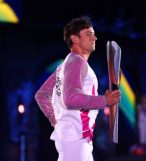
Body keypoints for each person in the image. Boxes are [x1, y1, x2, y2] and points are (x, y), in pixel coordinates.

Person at [35, 16, 121, 161]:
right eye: (89, 34)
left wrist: (55, 119)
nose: (94, 38)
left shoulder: (64, 66)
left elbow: (41, 95)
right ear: (75, 38)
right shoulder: (77, 63)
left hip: (74, 138)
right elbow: (70, 98)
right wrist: (104, 101)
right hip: (75, 138)